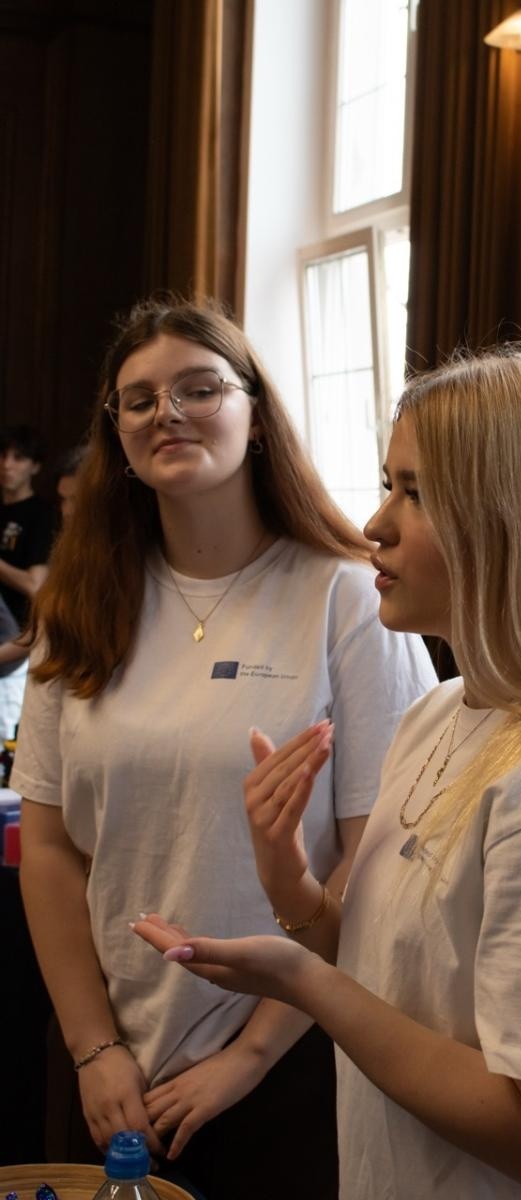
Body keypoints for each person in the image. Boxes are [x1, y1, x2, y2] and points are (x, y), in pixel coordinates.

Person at [135, 345, 521, 1199]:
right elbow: (405, 977)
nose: (374, 524)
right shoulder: (437, 714)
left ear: (514, 521)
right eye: (389, 483)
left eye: (414, 493)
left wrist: (301, 981)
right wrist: (297, 895)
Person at [15, 297, 436, 1200]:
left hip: (295, 1057)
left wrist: (246, 1057)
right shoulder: (79, 608)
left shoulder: (347, 597)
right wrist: (93, 1049)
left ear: (256, 413)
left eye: (199, 388)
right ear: (116, 435)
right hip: (109, 1069)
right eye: (138, 400)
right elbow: (48, 852)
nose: (166, 412)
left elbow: (376, 855)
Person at [0, 425, 54, 737]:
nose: (7, 465)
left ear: (35, 465)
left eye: (18, 458)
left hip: (15, 650)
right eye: (3, 456)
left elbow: (36, 586)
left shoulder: (42, 514)